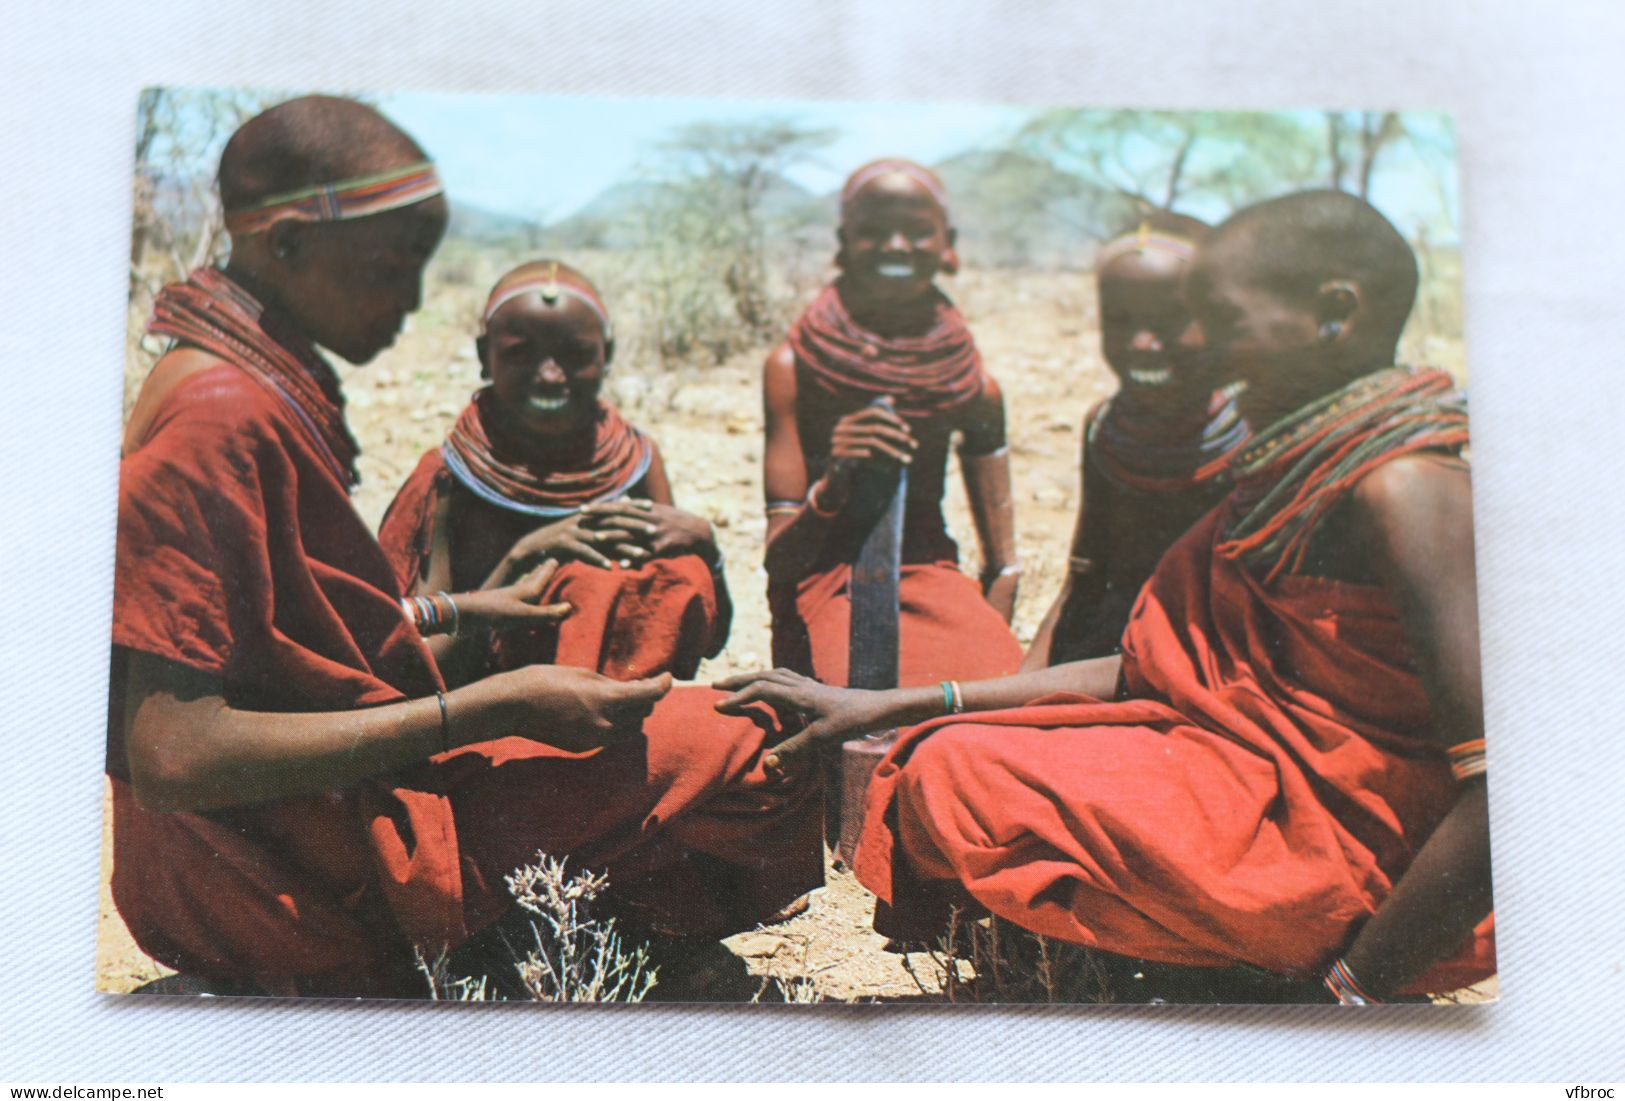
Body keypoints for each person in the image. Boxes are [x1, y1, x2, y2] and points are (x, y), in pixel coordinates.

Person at [109, 97, 819, 998]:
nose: (410, 302)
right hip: (312, 853)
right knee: (756, 750)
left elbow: (292, 642)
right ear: (286, 244)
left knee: (712, 733)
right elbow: (170, 755)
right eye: (391, 265)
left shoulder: (239, 388)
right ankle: (510, 934)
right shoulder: (219, 417)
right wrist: (482, 711)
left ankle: (545, 918)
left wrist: (471, 605)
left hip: (335, 805)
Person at [718, 190, 1494, 1003]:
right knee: (949, 765)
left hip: (1344, 844)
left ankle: (1271, 972)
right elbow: (1147, 668)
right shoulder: (1292, 464)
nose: (1204, 351)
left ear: (1334, 313)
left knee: (972, 779)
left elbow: (1499, 790)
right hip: (1255, 781)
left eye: (1222, 322)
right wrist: (891, 706)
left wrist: (1352, 996)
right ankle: (1215, 966)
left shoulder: (1407, 486)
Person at [378, 260, 729, 689]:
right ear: (483, 356)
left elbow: (700, 631)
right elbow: (414, 666)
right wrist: (519, 560)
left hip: (613, 703)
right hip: (484, 709)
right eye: (521, 354)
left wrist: (708, 550)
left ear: (608, 356)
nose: (548, 375)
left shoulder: (635, 461)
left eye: (576, 356)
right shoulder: (449, 477)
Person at [761, 159, 1023, 689]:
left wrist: (991, 631)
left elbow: (1004, 565)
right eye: (874, 232)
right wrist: (833, 485)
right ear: (844, 240)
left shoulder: (970, 384)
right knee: (875, 723)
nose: (897, 246)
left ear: (947, 241)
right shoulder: (794, 369)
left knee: (992, 717)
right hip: (829, 578)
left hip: (930, 575)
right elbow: (781, 562)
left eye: (918, 231)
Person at [1023, 213, 1251, 668]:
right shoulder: (1107, 427)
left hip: (1216, 656)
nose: (1143, 343)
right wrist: (1016, 684)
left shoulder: (1253, 433)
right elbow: (1084, 579)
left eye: (1169, 321)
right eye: (1120, 321)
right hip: (1113, 642)